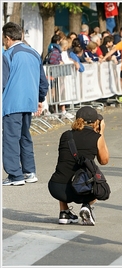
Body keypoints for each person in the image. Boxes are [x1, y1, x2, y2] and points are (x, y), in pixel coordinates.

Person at [2, 22, 49, 186]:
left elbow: (2, 81)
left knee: (10, 138)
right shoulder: (34, 53)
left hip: (12, 102)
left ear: (7, 38)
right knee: (25, 137)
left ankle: (15, 175)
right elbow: (43, 82)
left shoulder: (8, 55)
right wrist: (40, 99)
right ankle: (29, 171)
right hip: (29, 101)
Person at [48, 106, 109, 225]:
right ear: (96, 122)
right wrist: (101, 133)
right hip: (81, 191)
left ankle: (64, 212)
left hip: (57, 187)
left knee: (65, 170)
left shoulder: (65, 135)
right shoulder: (96, 138)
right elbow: (104, 160)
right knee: (98, 182)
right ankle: (86, 206)